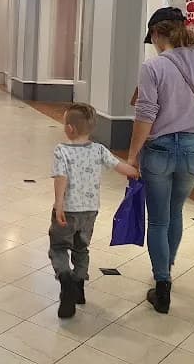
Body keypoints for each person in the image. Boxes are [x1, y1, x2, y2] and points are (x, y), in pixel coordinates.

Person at [128, 7, 194, 314]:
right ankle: (166, 268)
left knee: (158, 219)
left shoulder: (154, 66)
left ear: (157, 34)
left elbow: (145, 116)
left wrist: (132, 156)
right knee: (175, 212)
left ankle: (162, 284)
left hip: (160, 151)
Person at [49, 103, 138, 319]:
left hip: (68, 210)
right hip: (90, 212)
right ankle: (78, 287)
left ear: (70, 129)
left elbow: (61, 178)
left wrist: (58, 203)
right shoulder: (99, 149)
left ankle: (66, 279)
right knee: (81, 248)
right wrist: (136, 172)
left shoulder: (62, 150)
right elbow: (119, 166)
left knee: (59, 247)